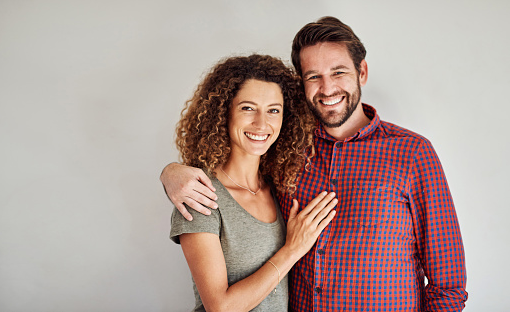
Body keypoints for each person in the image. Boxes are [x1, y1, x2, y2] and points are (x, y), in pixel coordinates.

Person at [162, 17, 468, 311]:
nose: (327, 88)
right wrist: (170, 173)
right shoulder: (287, 149)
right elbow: (235, 168)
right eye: (313, 76)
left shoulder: (412, 154)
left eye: (338, 72)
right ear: (301, 83)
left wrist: (170, 174)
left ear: (361, 71)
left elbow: (448, 285)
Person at [169, 54, 338, 312]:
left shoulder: (279, 187)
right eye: (248, 108)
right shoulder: (199, 196)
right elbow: (221, 307)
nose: (262, 124)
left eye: (273, 111)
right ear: (223, 112)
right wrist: (292, 250)